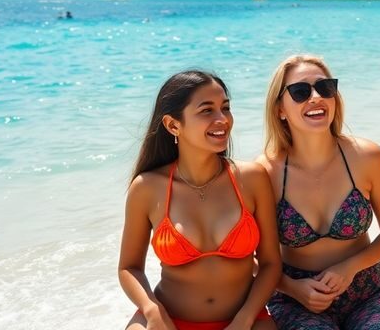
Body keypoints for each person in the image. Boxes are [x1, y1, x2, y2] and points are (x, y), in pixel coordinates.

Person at [119, 70, 281, 330]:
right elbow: (128, 268)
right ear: (173, 125)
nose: (222, 119)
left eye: (225, 108)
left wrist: (245, 318)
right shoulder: (147, 188)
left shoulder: (252, 178)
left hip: (245, 321)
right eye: (207, 110)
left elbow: (271, 264)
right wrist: (152, 311)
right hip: (167, 320)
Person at [257, 55, 380, 329]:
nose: (316, 97)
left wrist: (349, 267)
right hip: (296, 300)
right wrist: (293, 288)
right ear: (280, 109)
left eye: (325, 88)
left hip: (370, 291)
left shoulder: (367, 156)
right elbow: (251, 259)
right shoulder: (264, 173)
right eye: (300, 92)